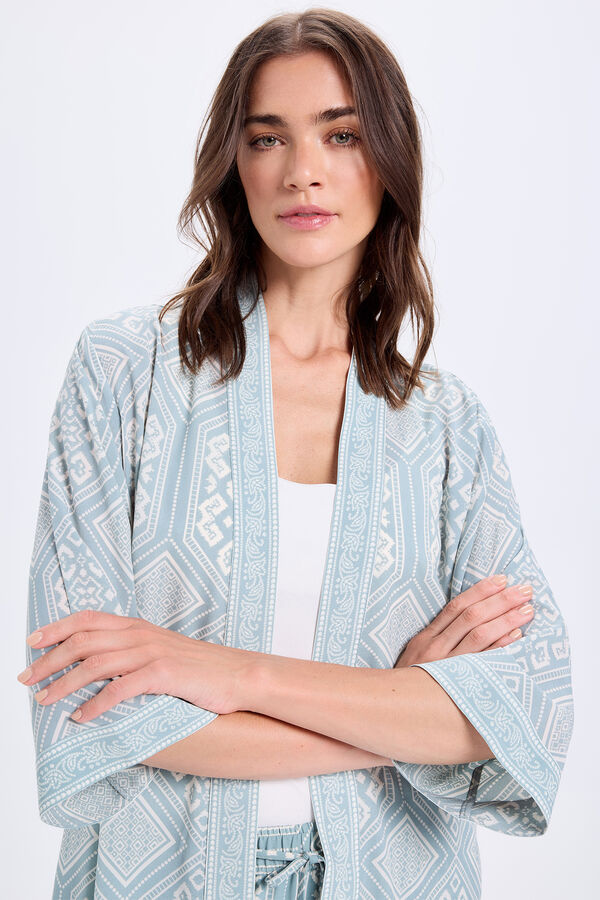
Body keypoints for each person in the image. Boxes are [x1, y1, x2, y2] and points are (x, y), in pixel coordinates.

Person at [18, 8, 574, 899]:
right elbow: (89, 710)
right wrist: (393, 707)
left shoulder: (445, 426)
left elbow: (523, 714)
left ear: (389, 160)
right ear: (234, 165)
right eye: (267, 138)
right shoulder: (123, 376)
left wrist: (232, 674)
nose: (301, 171)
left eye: (341, 134)